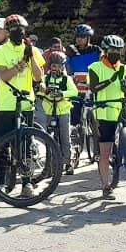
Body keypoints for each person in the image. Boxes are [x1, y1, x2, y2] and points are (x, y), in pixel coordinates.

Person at [87, 35, 126, 197]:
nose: (115, 53)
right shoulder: (95, 67)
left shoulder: (124, 68)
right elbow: (95, 88)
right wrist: (112, 79)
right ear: (105, 51)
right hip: (104, 113)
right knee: (105, 152)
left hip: (121, 111)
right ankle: (105, 186)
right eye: (112, 50)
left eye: (118, 51)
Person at [0, 14, 43, 140]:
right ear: (8, 32)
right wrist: (23, 63)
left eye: (22, 30)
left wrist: (31, 56)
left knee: (25, 145)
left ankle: (28, 159)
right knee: (3, 143)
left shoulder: (32, 50)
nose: (19, 33)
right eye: (14, 30)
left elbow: (38, 76)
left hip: (26, 102)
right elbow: (4, 76)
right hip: (7, 102)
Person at [36, 48, 78, 177]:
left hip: (63, 111)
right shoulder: (45, 78)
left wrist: (63, 93)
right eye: (53, 65)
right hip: (49, 111)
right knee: (48, 138)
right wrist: (42, 93)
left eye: (58, 66)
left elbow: (74, 92)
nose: (55, 68)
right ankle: (49, 164)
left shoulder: (66, 80)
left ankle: (68, 162)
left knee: (65, 137)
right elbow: (38, 90)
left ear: (63, 67)